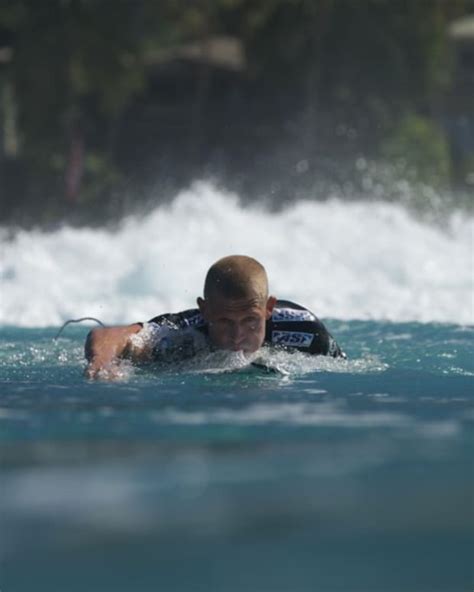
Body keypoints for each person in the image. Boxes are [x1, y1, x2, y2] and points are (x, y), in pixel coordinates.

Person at [85, 255, 345, 379]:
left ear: (268, 308)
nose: (237, 336)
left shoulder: (305, 329)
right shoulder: (184, 333)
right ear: (205, 310)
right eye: (224, 322)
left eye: (250, 321)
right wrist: (103, 361)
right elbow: (109, 334)